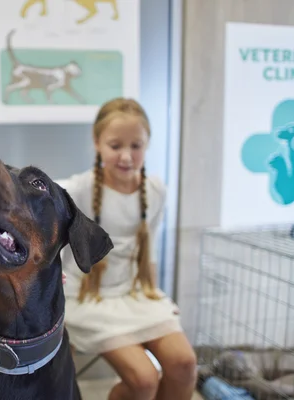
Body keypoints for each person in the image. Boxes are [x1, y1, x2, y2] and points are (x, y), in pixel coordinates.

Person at [59, 98, 197, 400]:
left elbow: (150, 253)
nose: (126, 156)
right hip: (89, 298)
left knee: (185, 365)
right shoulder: (78, 189)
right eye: (115, 145)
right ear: (97, 142)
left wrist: (156, 295)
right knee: (144, 379)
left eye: (136, 146)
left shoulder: (156, 190)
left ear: (147, 145)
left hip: (135, 295)